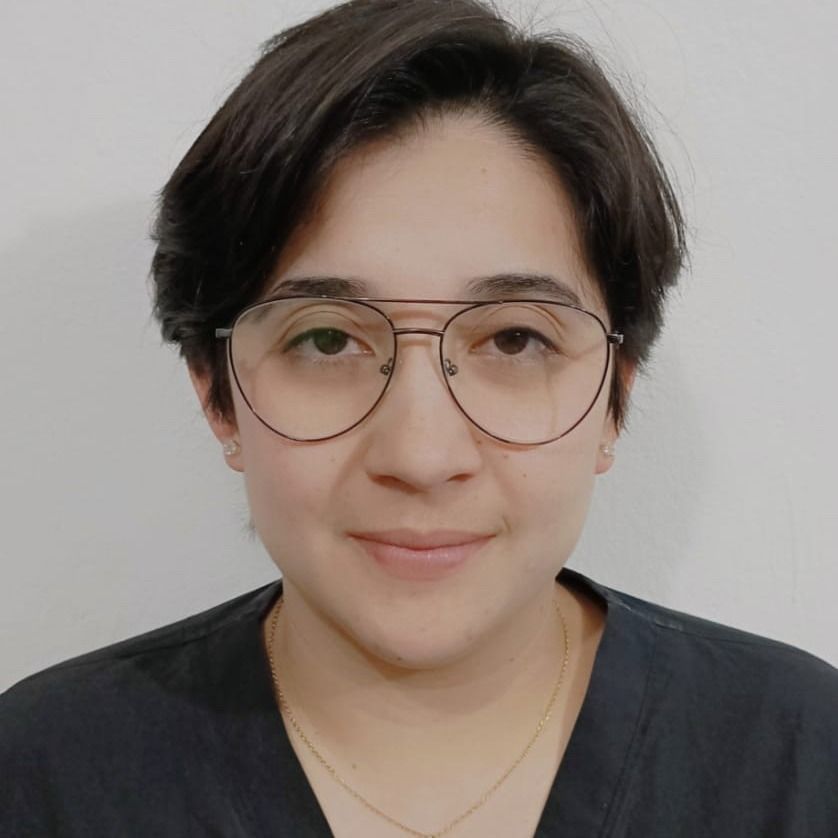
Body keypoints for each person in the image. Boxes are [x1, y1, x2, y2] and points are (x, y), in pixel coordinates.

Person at [2, 1, 836, 835]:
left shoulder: (799, 760)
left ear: (614, 397)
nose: (422, 454)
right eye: (326, 340)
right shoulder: (47, 778)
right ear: (216, 394)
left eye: (514, 339)